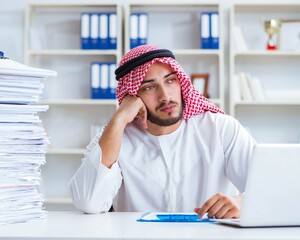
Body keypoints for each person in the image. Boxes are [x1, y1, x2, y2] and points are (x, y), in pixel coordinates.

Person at [69, 45, 256, 219]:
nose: (165, 96)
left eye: (171, 81)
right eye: (149, 87)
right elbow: (89, 201)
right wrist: (119, 119)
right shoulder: (114, 138)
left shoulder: (221, 129)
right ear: (132, 96)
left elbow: (273, 186)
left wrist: (243, 202)